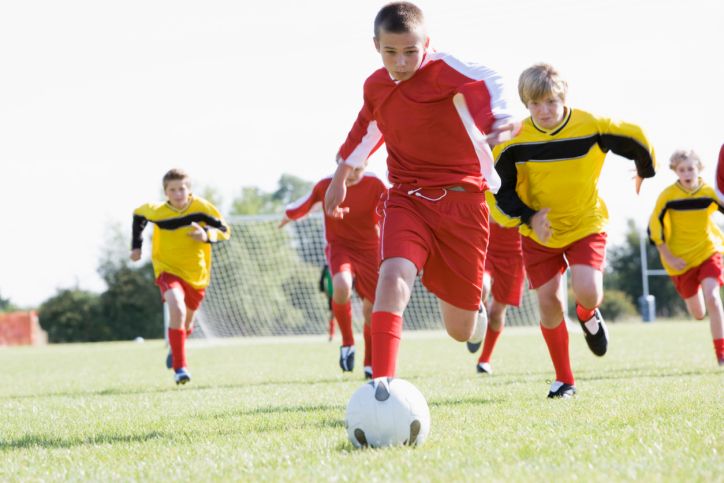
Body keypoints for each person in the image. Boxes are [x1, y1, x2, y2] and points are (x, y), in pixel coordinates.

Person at [324, 1, 517, 390]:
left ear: (426, 43)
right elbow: (366, 127)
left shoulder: (445, 70)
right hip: (406, 199)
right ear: (376, 45)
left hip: (462, 204)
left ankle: (473, 308)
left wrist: (503, 117)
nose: (401, 61)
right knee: (392, 277)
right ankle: (383, 387)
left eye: (411, 51)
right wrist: (342, 173)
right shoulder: (376, 86)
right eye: (390, 52)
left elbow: (489, 77)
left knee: (460, 330)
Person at [493, 63, 656, 398]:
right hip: (540, 232)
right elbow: (496, 190)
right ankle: (564, 379)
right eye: (535, 104)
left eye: (551, 101)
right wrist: (528, 217)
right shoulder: (513, 141)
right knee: (549, 302)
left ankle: (587, 314)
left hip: (586, 222)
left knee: (588, 292)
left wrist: (644, 169)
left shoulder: (590, 125)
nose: (544, 110)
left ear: (563, 97)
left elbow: (634, 136)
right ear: (525, 104)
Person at [281, 164, 387, 379]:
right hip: (340, 247)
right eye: (348, 169)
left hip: (370, 250)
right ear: (341, 165)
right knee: (341, 286)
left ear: (365, 166)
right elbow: (305, 203)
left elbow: (391, 207)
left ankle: (370, 362)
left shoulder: (375, 184)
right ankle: (347, 343)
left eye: (358, 170)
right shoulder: (326, 185)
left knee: (371, 311)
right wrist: (289, 215)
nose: (353, 175)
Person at [130, 169, 230, 385]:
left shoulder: (202, 208)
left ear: (189, 190)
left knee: (186, 323)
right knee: (177, 306)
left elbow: (225, 230)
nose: (177, 194)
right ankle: (180, 367)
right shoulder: (157, 211)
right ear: (165, 192)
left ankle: (177, 349)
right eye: (172, 190)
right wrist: (136, 247)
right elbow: (139, 214)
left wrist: (206, 235)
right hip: (167, 269)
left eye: (181, 189)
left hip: (197, 275)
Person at [648, 149, 724, 366]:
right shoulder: (668, 196)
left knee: (713, 298)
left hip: (708, 252)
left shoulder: (709, 192)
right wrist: (669, 258)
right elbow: (654, 229)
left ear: (699, 169)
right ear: (675, 171)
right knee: (699, 313)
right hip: (680, 261)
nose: (687, 173)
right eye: (682, 169)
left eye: (691, 168)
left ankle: (721, 354)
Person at [471, 192, 526, 375]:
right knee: (482, 288)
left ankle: (484, 360)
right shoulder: (492, 171)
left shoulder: (527, 173)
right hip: (487, 246)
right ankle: (476, 320)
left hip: (515, 254)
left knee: (497, 312)